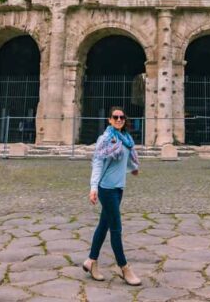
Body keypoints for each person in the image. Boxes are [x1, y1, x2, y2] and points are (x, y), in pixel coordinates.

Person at [82, 107, 141, 286]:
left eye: (121, 117)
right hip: (106, 189)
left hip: (119, 188)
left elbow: (127, 158)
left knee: (103, 225)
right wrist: (93, 188)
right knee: (116, 228)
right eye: (115, 117)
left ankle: (91, 261)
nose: (118, 119)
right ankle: (124, 268)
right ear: (109, 120)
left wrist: (134, 168)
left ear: (125, 119)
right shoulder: (106, 139)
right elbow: (98, 163)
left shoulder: (126, 140)